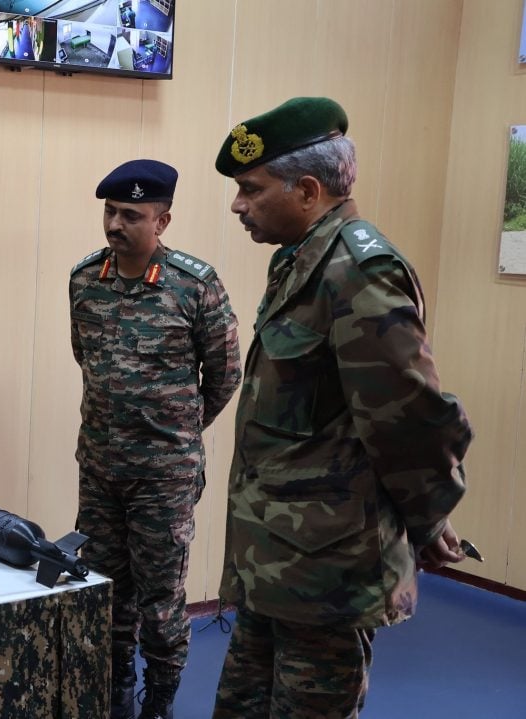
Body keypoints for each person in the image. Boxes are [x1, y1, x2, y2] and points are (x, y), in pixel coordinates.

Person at [211, 96, 474, 717]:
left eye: (251, 189)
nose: (237, 205)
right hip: (275, 560)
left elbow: (410, 419)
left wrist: (430, 519)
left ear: (307, 189)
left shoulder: (357, 271)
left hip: (326, 572)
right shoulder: (300, 261)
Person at [69, 160, 242, 719]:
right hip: (99, 466)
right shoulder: (83, 280)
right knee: (103, 585)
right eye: (110, 212)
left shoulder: (195, 286)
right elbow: (87, 360)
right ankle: (115, 687)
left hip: (163, 475)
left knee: (161, 598)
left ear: (162, 220)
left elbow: (223, 377)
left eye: (131, 215)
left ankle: (159, 701)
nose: (115, 225)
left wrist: (175, 433)